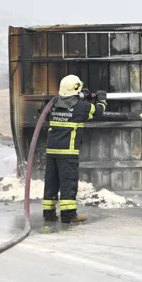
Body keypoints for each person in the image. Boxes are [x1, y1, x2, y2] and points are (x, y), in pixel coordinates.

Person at [43, 74, 107, 224]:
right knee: (68, 183)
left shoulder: (52, 104)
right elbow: (98, 112)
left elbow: (46, 116)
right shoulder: (82, 107)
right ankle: (69, 215)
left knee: (51, 183)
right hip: (68, 152)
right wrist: (102, 100)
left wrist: (81, 97)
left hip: (51, 152)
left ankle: (48, 213)